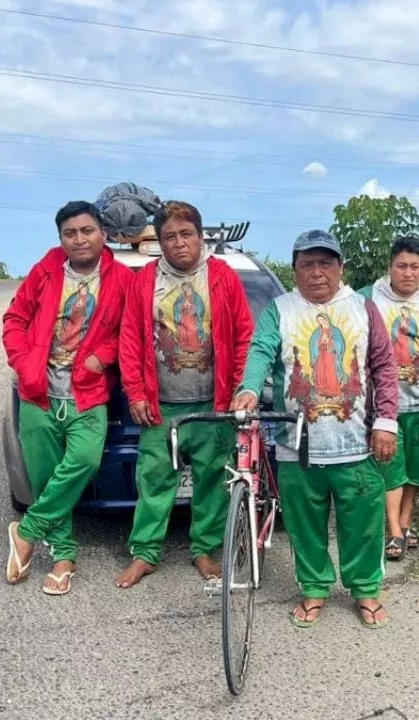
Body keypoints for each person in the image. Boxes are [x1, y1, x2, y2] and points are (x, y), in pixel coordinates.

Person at [231, 230, 399, 629]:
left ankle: (366, 589)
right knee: (305, 524)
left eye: (326, 263)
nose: (317, 272)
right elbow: (260, 351)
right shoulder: (280, 309)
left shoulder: (363, 308)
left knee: (362, 523)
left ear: (341, 268)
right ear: (295, 271)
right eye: (307, 264)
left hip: (356, 442)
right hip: (297, 444)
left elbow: (384, 367)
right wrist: (250, 388)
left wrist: (387, 422)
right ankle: (314, 587)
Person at [115, 201, 253, 589]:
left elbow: (244, 336)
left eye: (186, 234)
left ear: (200, 235)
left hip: (215, 402)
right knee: (154, 479)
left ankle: (204, 550)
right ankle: (145, 553)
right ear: (160, 242)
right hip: (161, 405)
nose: (179, 243)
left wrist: (241, 389)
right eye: (170, 237)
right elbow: (130, 341)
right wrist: (136, 392)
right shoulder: (144, 281)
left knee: (212, 479)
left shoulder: (223, 277)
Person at [2, 201, 133, 595]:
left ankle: (26, 532)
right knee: (45, 478)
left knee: (83, 461)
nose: (79, 239)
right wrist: (25, 364)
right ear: (61, 238)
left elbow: (129, 332)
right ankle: (63, 556)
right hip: (39, 393)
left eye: (87, 231)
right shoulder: (45, 271)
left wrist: (102, 358)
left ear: (103, 234)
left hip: (88, 393)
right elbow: (14, 320)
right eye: (70, 233)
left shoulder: (122, 279)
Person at [359, 236, 419, 560]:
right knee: (391, 469)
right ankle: (394, 532)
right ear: (390, 267)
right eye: (401, 266)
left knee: (415, 471)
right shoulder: (368, 299)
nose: (408, 273)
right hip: (384, 406)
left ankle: (405, 523)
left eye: (415, 267)